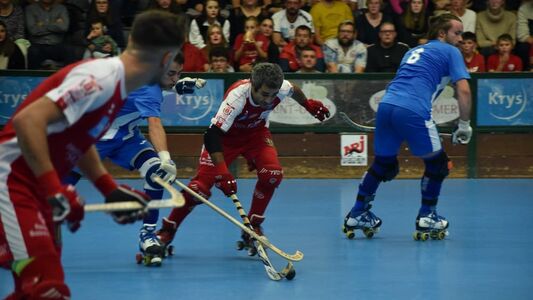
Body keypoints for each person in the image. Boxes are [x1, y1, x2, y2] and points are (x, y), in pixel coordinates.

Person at [0, 10, 183, 298]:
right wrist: (53, 190)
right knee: (45, 289)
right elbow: (27, 121)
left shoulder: (118, 87)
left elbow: (79, 140)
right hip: (13, 185)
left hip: (34, 186)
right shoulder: (101, 79)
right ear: (166, 59)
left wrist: (108, 189)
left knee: (38, 287)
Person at [156, 63, 330, 256]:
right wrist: (223, 171)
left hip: (256, 135)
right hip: (225, 139)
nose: (269, 100)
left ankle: (252, 228)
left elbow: (293, 90)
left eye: (273, 95)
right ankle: (167, 229)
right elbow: (212, 135)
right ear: (252, 86)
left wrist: (308, 105)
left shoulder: (279, 87)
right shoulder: (238, 96)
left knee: (272, 174)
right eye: (264, 94)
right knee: (200, 190)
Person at [62, 52, 204, 266]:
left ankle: (147, 235)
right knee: (55, 190)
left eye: (179, 74)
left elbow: (133, 95)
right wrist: (166, 157)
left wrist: (174, 87)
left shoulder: (144, 74)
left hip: (125, 138)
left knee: (156, 173)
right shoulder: (150, 90)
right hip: (92, 140)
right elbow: (154, 123)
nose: (176, 78)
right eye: (172, 74)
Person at [343, 14, 472, 241]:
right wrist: (464, 125)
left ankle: (357, 213)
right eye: (457, 33)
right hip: (412, 110)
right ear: (442, 34)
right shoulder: (451, 51)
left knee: (383, 164)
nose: (461, 39)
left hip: (386, 106)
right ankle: (427, 216)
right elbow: (463, 90)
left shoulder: (411, 51)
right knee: (438, 164)